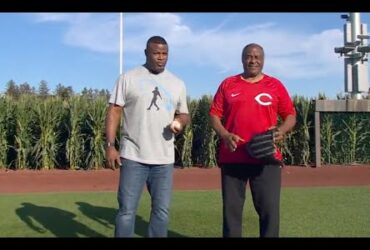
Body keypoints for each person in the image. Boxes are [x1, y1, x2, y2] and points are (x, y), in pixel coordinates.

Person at [105, 35, 190, 238]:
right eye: (156, 53)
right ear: (146, 53)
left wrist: (179, 122)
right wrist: (110, 145)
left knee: (161, 212)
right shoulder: (128, 78)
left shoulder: (177, 83)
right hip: (133, 156)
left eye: (165, 53)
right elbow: (114, 111)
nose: (161, 57)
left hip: (164, 159)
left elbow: (184, 113)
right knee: (126, 211)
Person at [209, 43, 296, 237]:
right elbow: (214, 115)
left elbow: (290, 115)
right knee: (231, 215)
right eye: (249, 56)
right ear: (242, 59)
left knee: (269, 213)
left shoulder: (275, 85)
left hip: (266, 158)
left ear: (263, 60)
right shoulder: (228, 84)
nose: (253, 60)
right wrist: (225, 135)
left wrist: (281, 131)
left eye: (257, 57)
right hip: (233, 157)